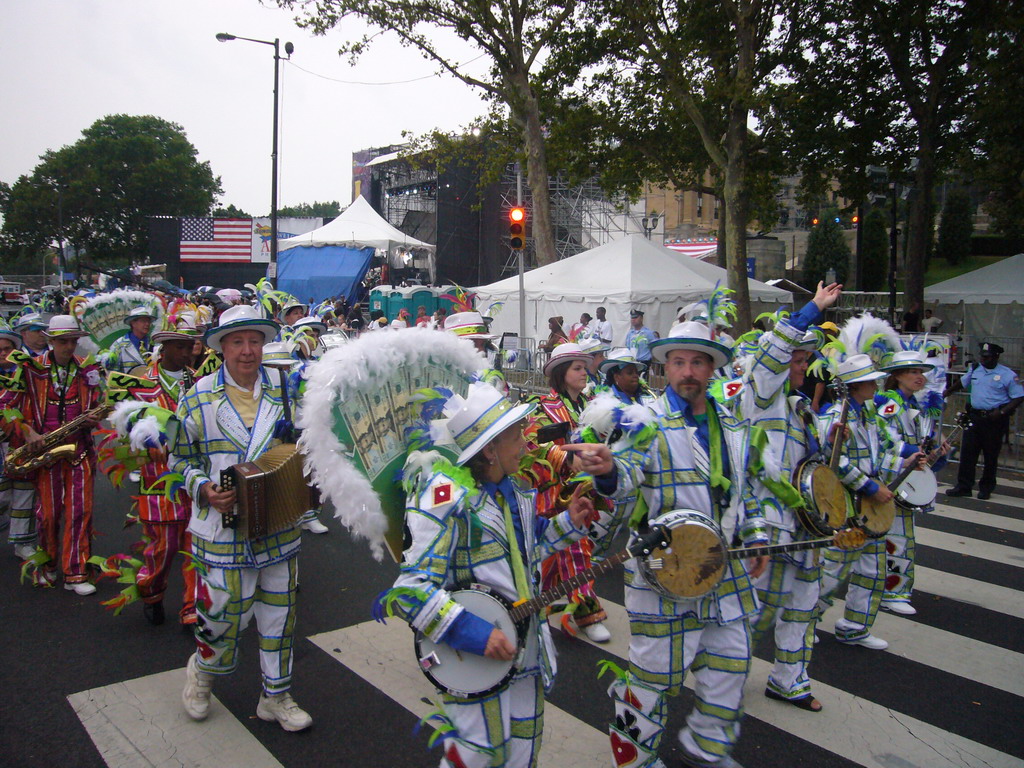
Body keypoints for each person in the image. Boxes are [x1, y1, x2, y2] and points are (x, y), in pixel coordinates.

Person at [575, 320, 768, 768]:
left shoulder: (734, 424)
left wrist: (755, 536)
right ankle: (634, 760)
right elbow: (623, 476)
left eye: (696, 361)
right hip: (663, 570)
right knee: (653, 678)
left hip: (726, 572)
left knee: (731, 665)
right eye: (677, 362)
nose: (687, 371)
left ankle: (708, 750)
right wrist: (606, 470)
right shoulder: (646, 421)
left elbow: (748, 490)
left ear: (712, 367)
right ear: (664, 368)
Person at [384, 382, 592, 767]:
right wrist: (476, 633)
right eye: (517, 436)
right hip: (473, 659)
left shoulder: (514, 490)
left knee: (523, 750)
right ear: (491, 448)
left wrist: (570, 523)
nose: (527, 445)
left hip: (526, 649)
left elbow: (528, 552)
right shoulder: (443, 498)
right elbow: (410, 591)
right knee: (479, 755)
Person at [171, 305, 312, 732]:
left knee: (280, 614)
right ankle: (203, 675)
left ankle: (276, 695)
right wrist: (204, 489)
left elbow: (312, 438)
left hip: (279, 521)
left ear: (264, 345)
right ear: (223, 347)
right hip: (222, 528)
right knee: (221, 613)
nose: (248, 351)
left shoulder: (289, 388)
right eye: (238, 342)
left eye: (254, 341)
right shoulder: (197, 394)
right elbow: (178, 456)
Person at [736, 282, 841, 713]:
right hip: (766, 524)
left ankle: (789, 680)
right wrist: (812, 309)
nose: (801, 365)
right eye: (795, 358)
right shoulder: (760, 397)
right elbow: (770, 360)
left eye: (804, 358)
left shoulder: (800, 409)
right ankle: (721, 673)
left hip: (804, 527)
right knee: (748, 608)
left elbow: (808, 470)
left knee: (802, 606)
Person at [817, 349, 919, 650]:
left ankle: (855, 627)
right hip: (846, 507)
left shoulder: (870, 415)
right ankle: (801, 624)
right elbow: (833, 461)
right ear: (856, 386)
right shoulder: (836, 417)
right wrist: (870, 488)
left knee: (873, 571)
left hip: (871, 509)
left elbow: (879, 455)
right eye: (870, 382)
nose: (876, 386)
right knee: (832, 572)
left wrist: (903, 463)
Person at [0, 315, 104, 592]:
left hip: (78, 450)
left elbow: (99, 402)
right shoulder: (29, 368)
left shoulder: (88, 368)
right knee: (48, 514)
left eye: (73, 341)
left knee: (80, 511)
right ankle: (47, 566)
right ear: (50, 341)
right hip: (44, 451)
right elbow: (6, 406)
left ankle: (77, 572)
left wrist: (95, 416)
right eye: (62, 341)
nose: (69, 347)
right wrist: (27, 431)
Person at [113, 315, 202, 625]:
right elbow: (122, 436)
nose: (188, 352)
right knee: (163, 549)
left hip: (194, 481)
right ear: (163, 349)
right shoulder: (138, 383)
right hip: (157, 483)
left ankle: (192, 607)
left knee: (196, 546)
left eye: (190, 346)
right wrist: (150, 449)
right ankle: (150, 588)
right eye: (180, 347)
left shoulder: (199, 381)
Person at [524, 343, 612, 643]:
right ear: (561, 374)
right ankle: (588, 613)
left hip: (588, 487)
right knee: (576, 550)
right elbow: (532, 442)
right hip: (555, 491)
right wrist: (566, 458)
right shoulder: (541, 404)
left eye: (585, 367)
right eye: (577, 368)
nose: (584, 373)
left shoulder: (593, 402)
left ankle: (531, 605)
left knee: (555, 555)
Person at [875, 350, 949, 615]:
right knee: (894, 538)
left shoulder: (914, 406)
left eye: (922, 372)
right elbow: (879, 441)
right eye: (913, 372)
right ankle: (890, 592)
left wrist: (936, 453)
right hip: (888, 482)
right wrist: (910, 451)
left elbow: (919, 453)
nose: (920, 377)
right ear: (897, 376)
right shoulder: (891, 404)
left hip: (904, 483)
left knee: (898, 538)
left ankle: (890, 590)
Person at [944, 341, 1023, 500]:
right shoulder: (975, 370)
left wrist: (1002, 412)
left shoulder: (1007, 374)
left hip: (993, 420)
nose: (983, 360)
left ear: (996, 357)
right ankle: (964, 486)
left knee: (990, 455)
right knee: (967, 453)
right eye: (982, 356)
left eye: (987, 357)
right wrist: (946, 392)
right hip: (973, 417)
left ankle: (986, 488)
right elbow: (962, 383)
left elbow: (1018, 396)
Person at [0, 322, 37, 560]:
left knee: (25, 492)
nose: (3, 353)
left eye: (7, 349)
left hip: (22, 442)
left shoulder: (26, 374)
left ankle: (23, 542)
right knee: (2, 494)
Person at [106, 305, 158, 373]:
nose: (147, 324)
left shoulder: (155, 344)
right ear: (133, 323)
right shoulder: (119, 345)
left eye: (149, 321)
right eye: (143, 321)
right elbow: (111, 374)